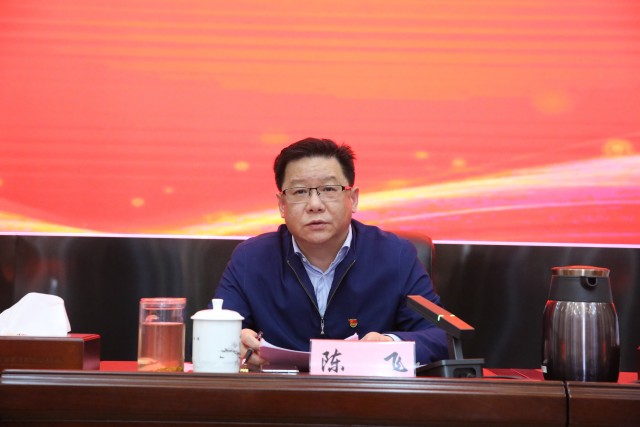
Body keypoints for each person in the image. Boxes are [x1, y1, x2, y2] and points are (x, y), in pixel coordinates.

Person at [214, 137, 448, 368]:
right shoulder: (250, 259)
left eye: (328, 189)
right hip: (279, 390)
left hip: (366, 390)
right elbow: (215, 330)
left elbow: (440, 334)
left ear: (353, 199)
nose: (315, 205)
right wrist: (234, 340)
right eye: (299, 192)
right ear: (282, 205)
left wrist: (389, 343)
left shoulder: (396, 255)